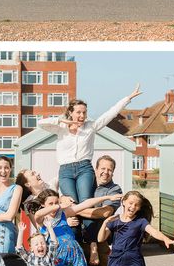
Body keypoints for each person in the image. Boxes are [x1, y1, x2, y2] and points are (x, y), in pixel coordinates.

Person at [37, 84, 142, 241]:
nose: (82, 115)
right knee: (71, 204)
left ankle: (91, 242)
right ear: (70, 113)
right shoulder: (61, 128)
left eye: (84, 112)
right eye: (78, 112)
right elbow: (41, 123)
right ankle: (75, 239)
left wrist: (128, 98)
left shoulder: (90, 127)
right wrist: (63, 121)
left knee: (86, 204)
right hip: (65, 170)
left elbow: (110, 114)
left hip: (84, 168)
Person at [69, 155, 123, 266]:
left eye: (109, 169)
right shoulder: (84, 183)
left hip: (100, 243)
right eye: (103, 168)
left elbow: (104, 212)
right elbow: (64, 203)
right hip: (79, 241)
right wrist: (72, 211)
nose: (105, 172)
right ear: (96, 168)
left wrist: (76, 209)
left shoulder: (115, 189)